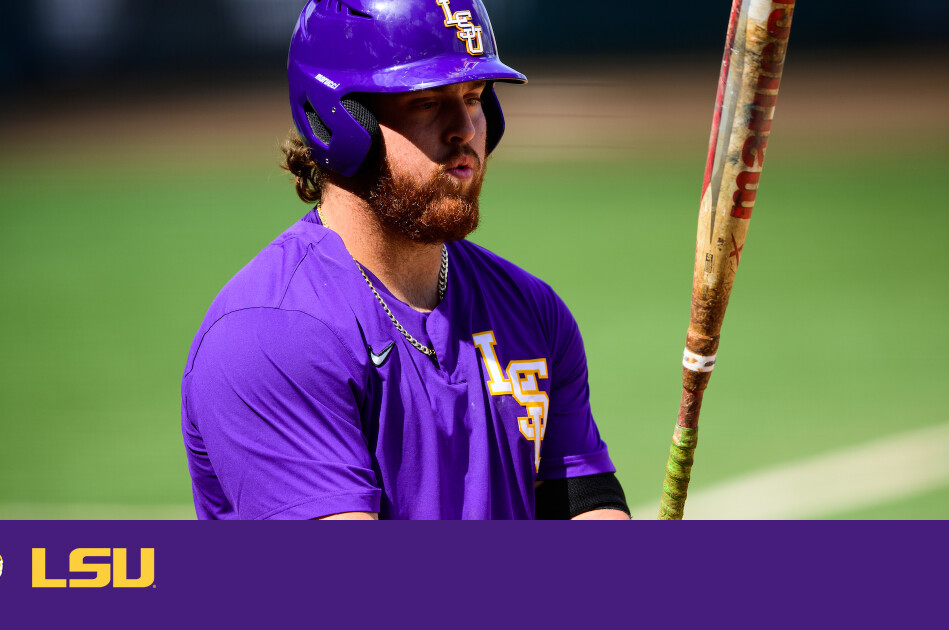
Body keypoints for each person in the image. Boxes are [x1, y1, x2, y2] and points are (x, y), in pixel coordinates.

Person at [181, 0, 630, 520]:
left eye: (475, 97)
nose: (465, 128)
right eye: (427, 102)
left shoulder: (533, 312)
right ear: (342, 118)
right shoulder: (272, 334)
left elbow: (586, 508)